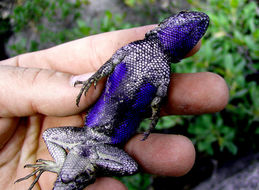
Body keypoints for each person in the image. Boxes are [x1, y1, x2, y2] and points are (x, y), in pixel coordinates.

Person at [0, 25, 229, 190]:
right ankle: (77, 166)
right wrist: (152, 121)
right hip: (108, 142)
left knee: (52, 136)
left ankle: (67, 166)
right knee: (129, 166)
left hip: (88, 134)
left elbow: (106, 68)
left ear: (162, 28)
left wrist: (89, 82)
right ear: (182, 49)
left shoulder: (136, 46)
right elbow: (158, 103)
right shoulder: (163, 70)